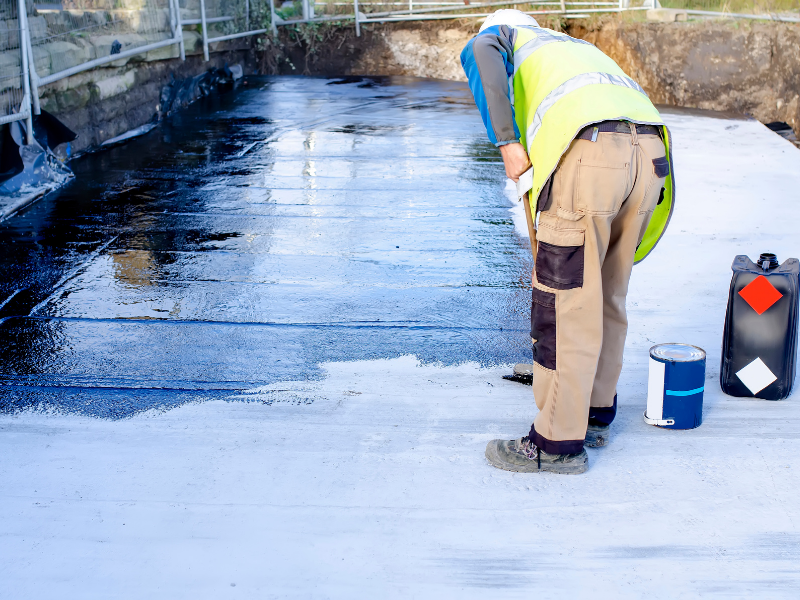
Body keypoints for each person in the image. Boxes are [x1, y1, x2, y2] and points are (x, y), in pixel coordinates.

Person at [461, 9, 675, 474]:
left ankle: (556, 443)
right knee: (607, 293)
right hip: (649, 154)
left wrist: (506, 143)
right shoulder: (569, 48)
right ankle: (595, 413)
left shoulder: (502, 37)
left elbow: (480, 52)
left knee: (564, 302)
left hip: (593, 156)